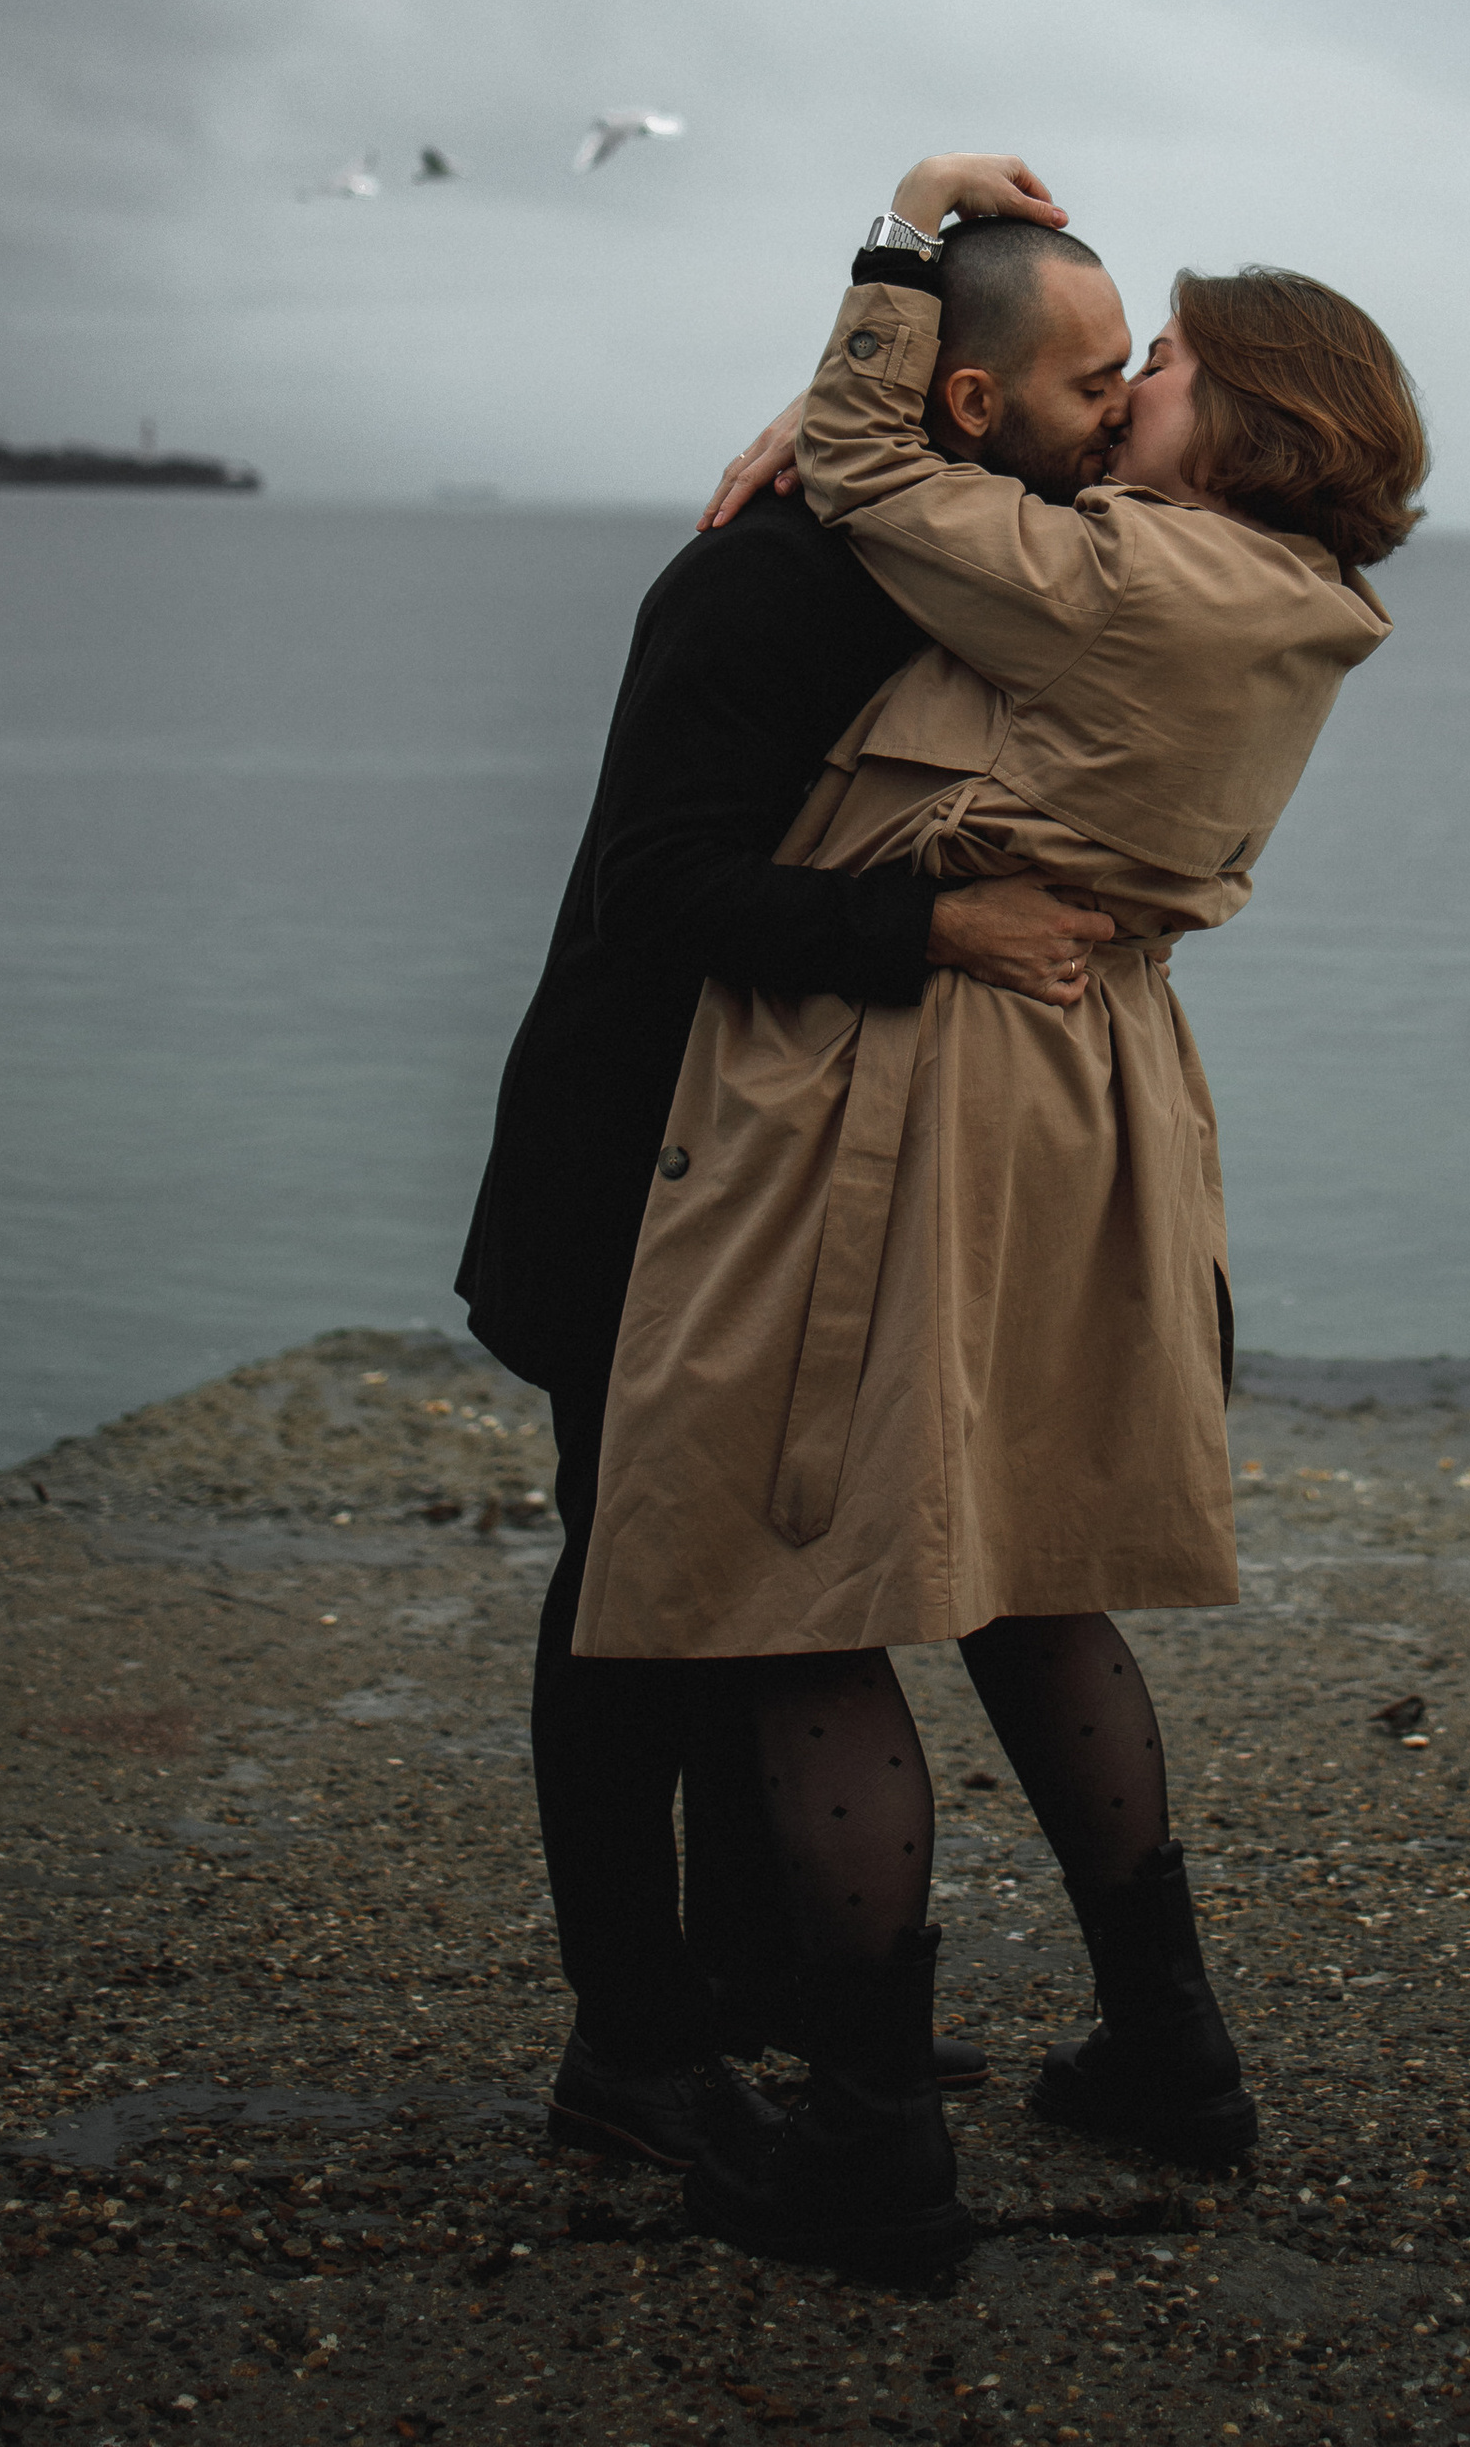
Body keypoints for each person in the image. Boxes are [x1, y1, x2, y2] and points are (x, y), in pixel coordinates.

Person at [575, 150, 1426, 2271]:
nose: (1129, 386)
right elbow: (949, 470)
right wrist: (886, 414)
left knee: (804, 1582)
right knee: (1035, 1576)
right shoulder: (1280, 601)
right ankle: (1168, 2049)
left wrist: (885, 267)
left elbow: (882, 458)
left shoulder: (1126, 582)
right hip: (1093, 1096)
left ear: (1240, 427)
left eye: (1164, 371)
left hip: (918, 1088)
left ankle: (872, 2151)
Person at [456, 213, 1140, 2170]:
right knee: (627, 1606)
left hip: (773, 1173)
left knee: (760, 1580)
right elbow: (656, 885)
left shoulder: (957, 566)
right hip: (625, 1160)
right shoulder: (758, 587)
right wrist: (938, 927)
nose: (1112, 414)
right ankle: (630, 2048)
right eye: (1090, 382)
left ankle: (770, 1997)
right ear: (972, 402)